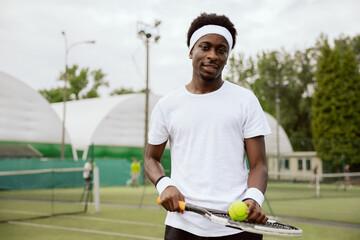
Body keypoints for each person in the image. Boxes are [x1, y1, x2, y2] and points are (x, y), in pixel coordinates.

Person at [144, 13, 271, 239]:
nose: (213, 55)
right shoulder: (167, 105)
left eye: (221, 50)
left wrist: (253, 198)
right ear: (192, 51)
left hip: (239, 227)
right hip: (183, 226)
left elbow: (259, 164)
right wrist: (164, 185)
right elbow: (150, 159)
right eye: (205, 47)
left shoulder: (246, 100)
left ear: (227, 56)